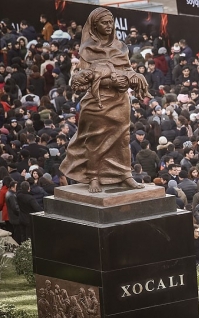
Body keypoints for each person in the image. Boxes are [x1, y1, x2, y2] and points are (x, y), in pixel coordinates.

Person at [59, 8, 149, 192]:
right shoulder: (87, 49)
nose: (109, 26)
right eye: (104, 23)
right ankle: (93, 176)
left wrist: (134, 77)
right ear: (94, 25)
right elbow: (84, 78)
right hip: (97, 102)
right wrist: (113, 78)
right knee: (95, 140)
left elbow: (127, 69)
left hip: (120, 100)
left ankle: (125, 174)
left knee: (123, 138)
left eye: (111, 22)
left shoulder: (120, 47)